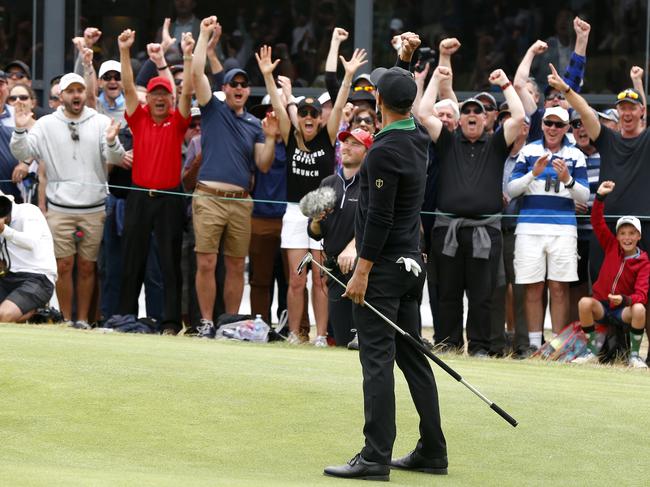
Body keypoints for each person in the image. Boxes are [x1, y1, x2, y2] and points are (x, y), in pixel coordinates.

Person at [324, 63, 447, 481]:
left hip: (384, 270)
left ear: (378, 102)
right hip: (412, 265)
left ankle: (375, 456)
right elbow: (404, 101)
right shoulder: (417, 137)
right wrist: (407, 60)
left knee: (377, 362)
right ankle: (432, 450)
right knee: (414, 360)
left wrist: (361, 271)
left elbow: (377, 219)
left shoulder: (381, 150)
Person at [256, 43, 364, 345]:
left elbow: (340, 105)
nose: (307, 117)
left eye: (312, 113)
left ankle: (321, 335)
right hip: (294, 212)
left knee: (321, 278)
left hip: (323, 214)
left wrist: (348, 76)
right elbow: (279, 109)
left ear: (319, 118)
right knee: (295, 279)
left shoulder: (328, 139)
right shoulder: (290, 138)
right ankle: (294, 333)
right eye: (302, 112)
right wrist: (268, 77)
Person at [547, 64, 650, 365]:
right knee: (601, 294)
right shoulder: (607, 139)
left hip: (644, 229)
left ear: (641, 110)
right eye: (623, 108)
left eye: (632, 107)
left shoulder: (646, 140)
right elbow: (588, 114)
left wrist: (638, 83)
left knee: (643, 297)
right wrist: (566, 90)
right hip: (608, 232)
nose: (627, 113)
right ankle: (603, 352)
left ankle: (636, 356)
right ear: (618, 113)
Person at [419, 64, 524, 356]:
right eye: (466, 112)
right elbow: (424, 113)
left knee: (482, 296)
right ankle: (449, 344)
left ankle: (479, 346)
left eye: (478, 112)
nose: (472, 116)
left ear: (487, 119)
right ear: (460, 120)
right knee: (447, 294)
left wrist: (505, 84)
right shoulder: (447, 142)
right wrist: (435, 80)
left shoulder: (496, 145)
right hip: (448, 232)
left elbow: (519, 117)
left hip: (485, 232)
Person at [10, 73, 125, 329]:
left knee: (87, 266)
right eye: (70, 91)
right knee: (63, 265)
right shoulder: (46, 124)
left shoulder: (100, 121)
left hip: (93, 208)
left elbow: (115, 158)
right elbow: (23, 152)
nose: (76, 95)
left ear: (85, 94)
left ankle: (82, 320)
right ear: (60, 96)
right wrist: (19, 129)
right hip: (59, 209)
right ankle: (65, 318)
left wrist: (111, 141)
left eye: (80, 91)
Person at [191, 16, 275, 337]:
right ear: (224, 89)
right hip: (209, 198)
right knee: (207, 263)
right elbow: (196, 72)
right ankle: (206, 322)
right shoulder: (212, 108)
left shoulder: (255, 124)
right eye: (233, 84)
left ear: (247, 90)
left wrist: (270, 138)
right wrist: (202, 36)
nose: (239, 88)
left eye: (243, 85)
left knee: (237, 265)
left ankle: (229, 322)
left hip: (241, 202)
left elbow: (263, 165)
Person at [117, 29, 193, 334]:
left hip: (170, 198)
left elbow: (187, 92)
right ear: (148, 98)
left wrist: (187, 56)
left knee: (170, 262)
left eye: (164, 94)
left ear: (169, 99)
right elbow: (126, 86)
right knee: (131, 259)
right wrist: (124, 51)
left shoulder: (177, 121)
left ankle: (171, 323)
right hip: (139, 195)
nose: (160, 98)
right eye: (155, 94)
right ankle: (124, 317)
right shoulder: (140, 117)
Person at [507, 106, 589, 350]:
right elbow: (511, 190)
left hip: (563, 229)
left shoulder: (576, 155)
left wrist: (567, 180)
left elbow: (584, 195)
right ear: (542, 124)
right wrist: (533, 173)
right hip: (529, 228)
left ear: (566, 128)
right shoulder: (528, 151)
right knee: (533, 286)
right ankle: (534, 344)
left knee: (559, 286)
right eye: (548, 123)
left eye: (558, 124)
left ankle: (557, 346)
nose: (552, 128)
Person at [572, 181, 649, 368]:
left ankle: (634, 356)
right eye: (623, 233)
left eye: (632, 233)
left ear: (639, 236)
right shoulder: (611, 245)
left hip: (622, 310)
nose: (627, 238)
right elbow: (596, 221)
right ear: (617, 236)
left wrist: (624, 300)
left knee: (640, 309)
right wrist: (599, 197)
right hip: (602, 305)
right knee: (584, 303)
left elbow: (642, 295)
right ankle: (591, 351)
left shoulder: (644, 261)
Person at [308, 128, 371, 347]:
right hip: (334, 271)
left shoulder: (370, 184)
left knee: (362, 342)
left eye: (356, 144)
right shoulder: (328, 183)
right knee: (343, 338)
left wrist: (353, 247)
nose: (347, 147)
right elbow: (315, 233)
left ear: (366, 152)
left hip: (361, 270)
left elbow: (375, 223)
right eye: (345, 142)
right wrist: (316, 220)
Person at [0, 194, 56, 322]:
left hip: (38, 278)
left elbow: (31, 242)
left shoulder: (28, 211)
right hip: (8, 277)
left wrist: (4, 230)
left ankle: (39, 312)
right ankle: (34, 313)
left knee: (3, 316)